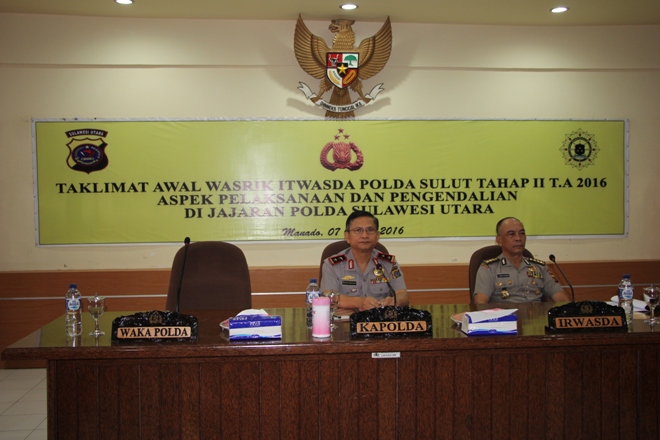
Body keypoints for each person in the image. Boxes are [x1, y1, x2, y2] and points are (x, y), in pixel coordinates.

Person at [320, 210, 409, 311]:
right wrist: (360, 303)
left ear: (377, 236)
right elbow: (328, 297)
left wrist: (394, 301)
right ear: (347, 236)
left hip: (379, 319)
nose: (365, 235)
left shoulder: (389, 263)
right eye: (358, 230)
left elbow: (403, 294)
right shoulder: (332, 265)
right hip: (346, 319)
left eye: (370, 230)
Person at [473, 217, 569, 304]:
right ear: (499, 240)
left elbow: (561, 299)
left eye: (522, 233)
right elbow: (480, 302)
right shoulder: (489, 268)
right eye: (511, 234)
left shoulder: (539, 267)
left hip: (536, 316)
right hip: (505, 316)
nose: (518, 238)